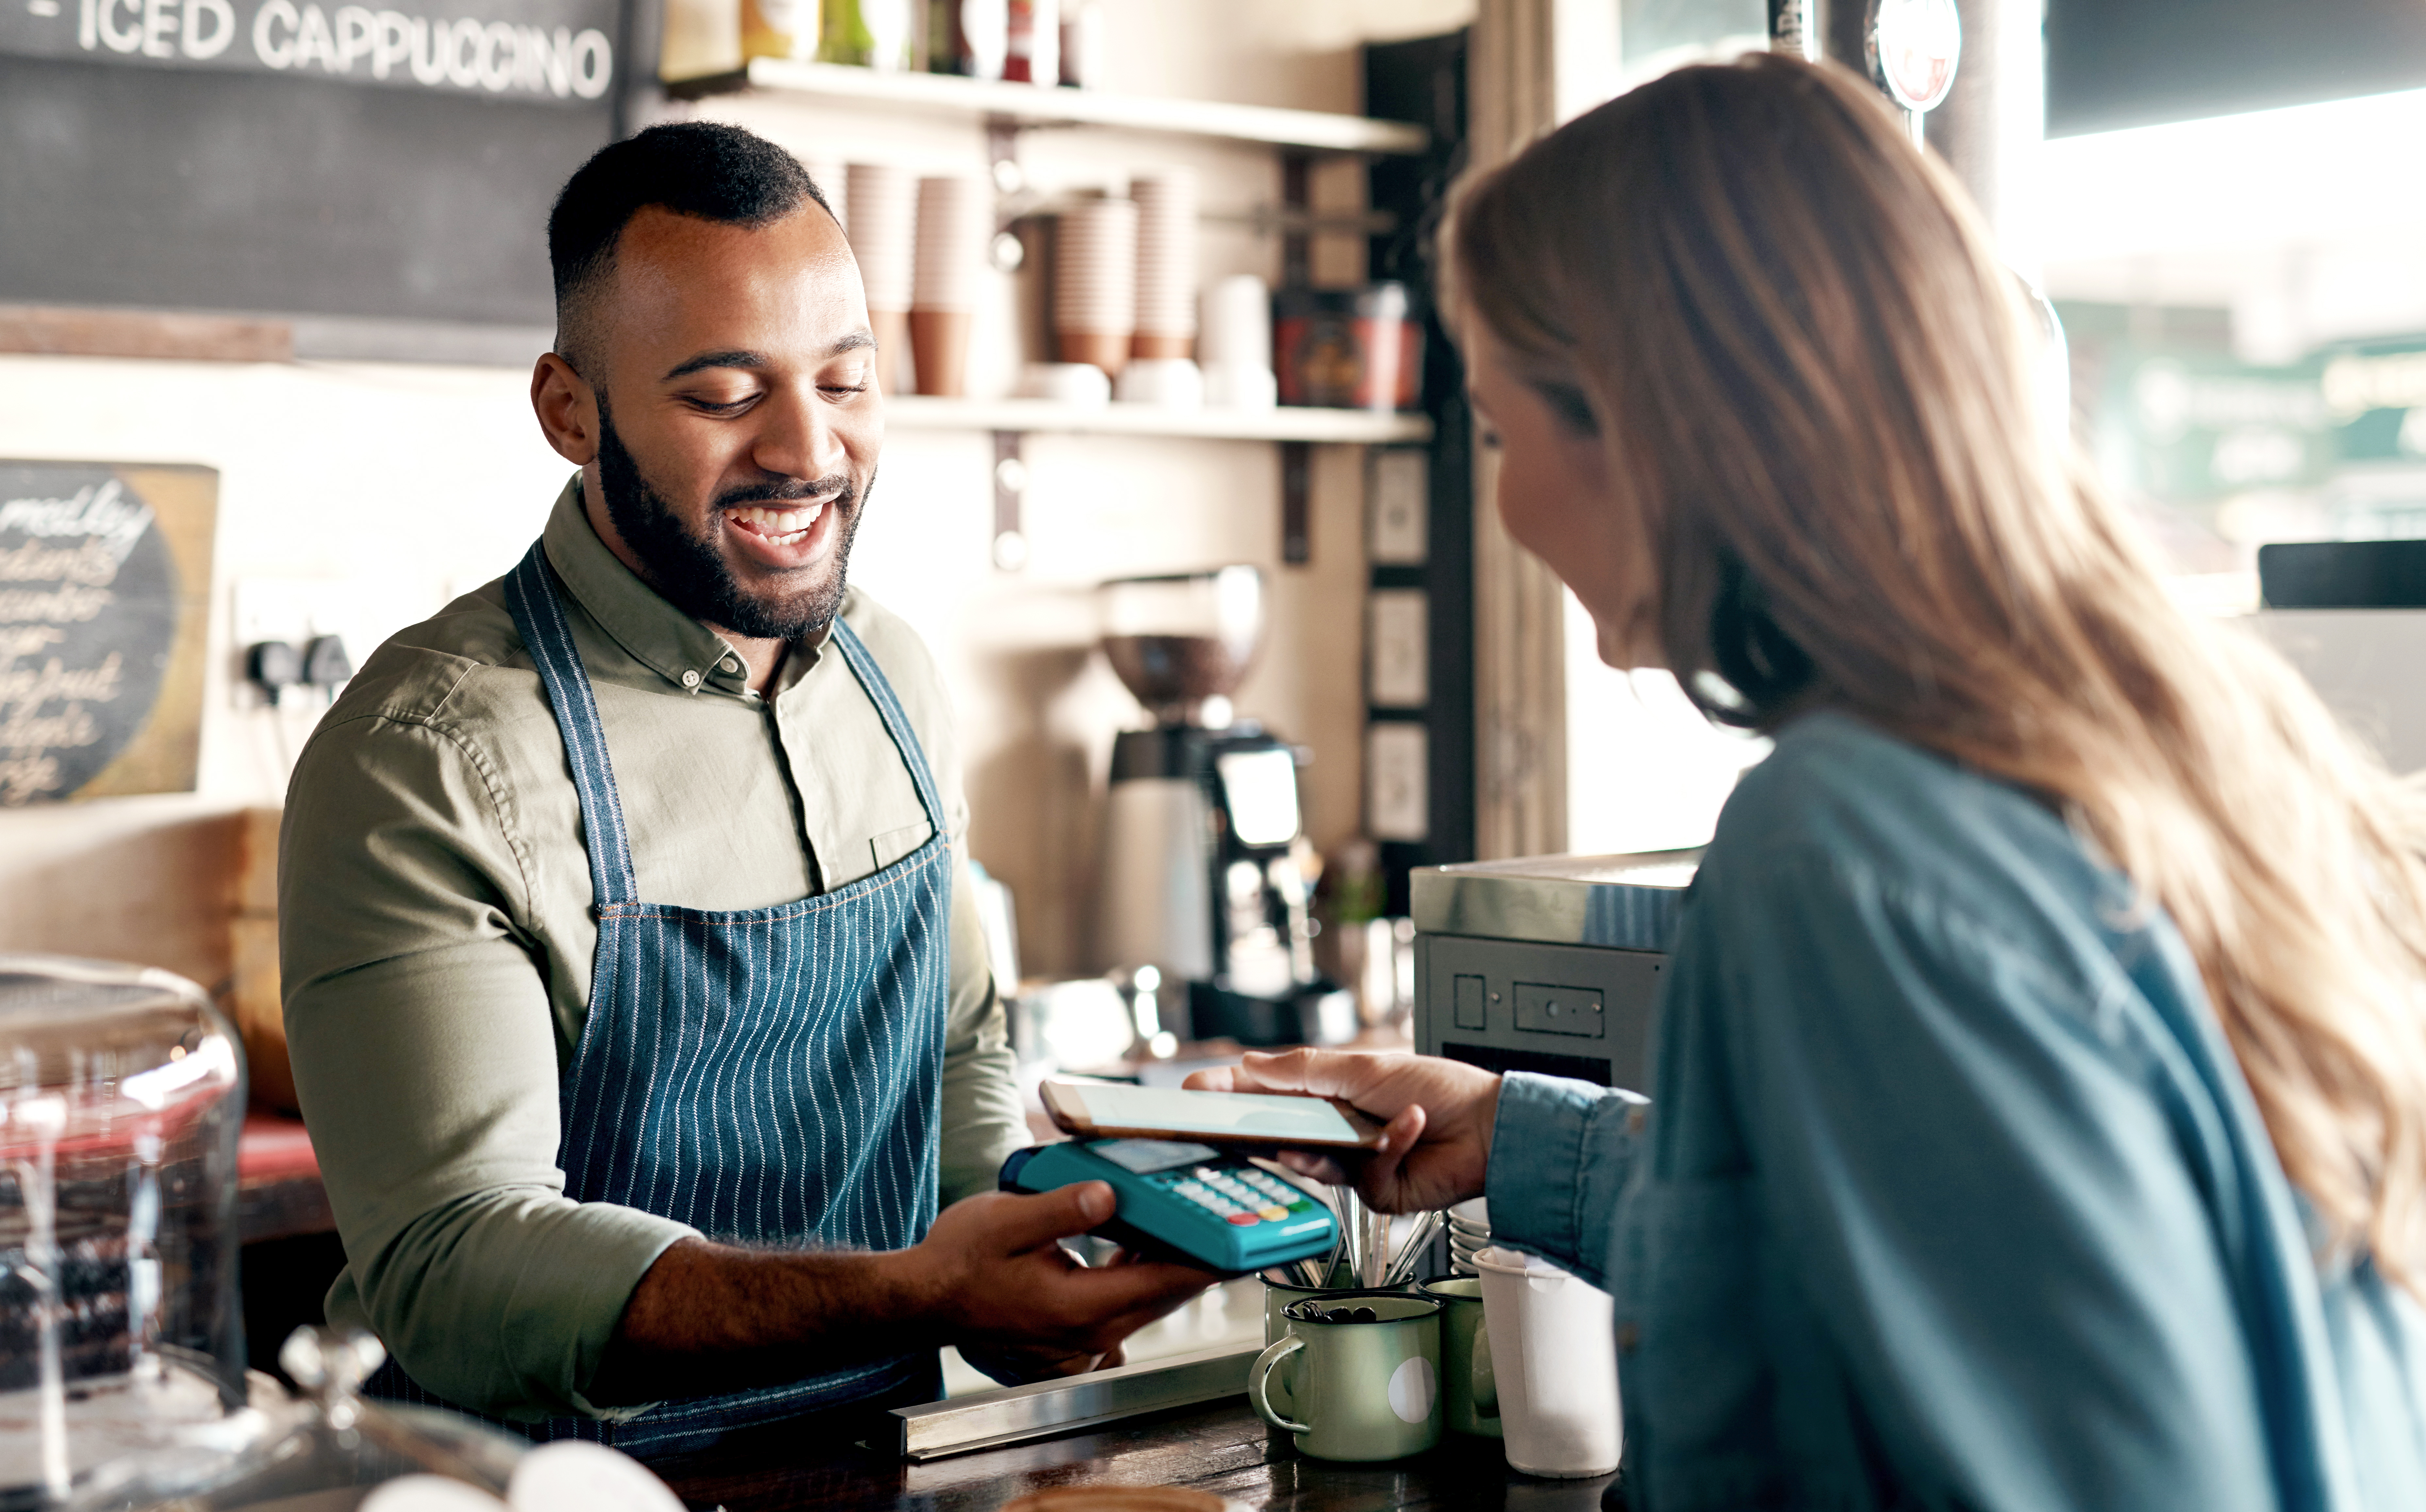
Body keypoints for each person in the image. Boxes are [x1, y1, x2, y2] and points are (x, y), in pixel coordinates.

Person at [1195, 56, 2426, 1512]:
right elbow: (1979, 1250)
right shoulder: (2191, 736)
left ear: (1655, 438)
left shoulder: (1840, 849)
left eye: (1512, 433)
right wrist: (1523, 1142)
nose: (1509, 500)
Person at [279, 123, 1210, 1454]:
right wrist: (910, 1293)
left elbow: (956, 1052)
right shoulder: (429, 755)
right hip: (542, 1488)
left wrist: (1021, 1238)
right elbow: (455, 1264)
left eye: (846, 382)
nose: (806, 449)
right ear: (569, 410)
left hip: (881, 1458)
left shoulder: (894, 675)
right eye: (725, 396)